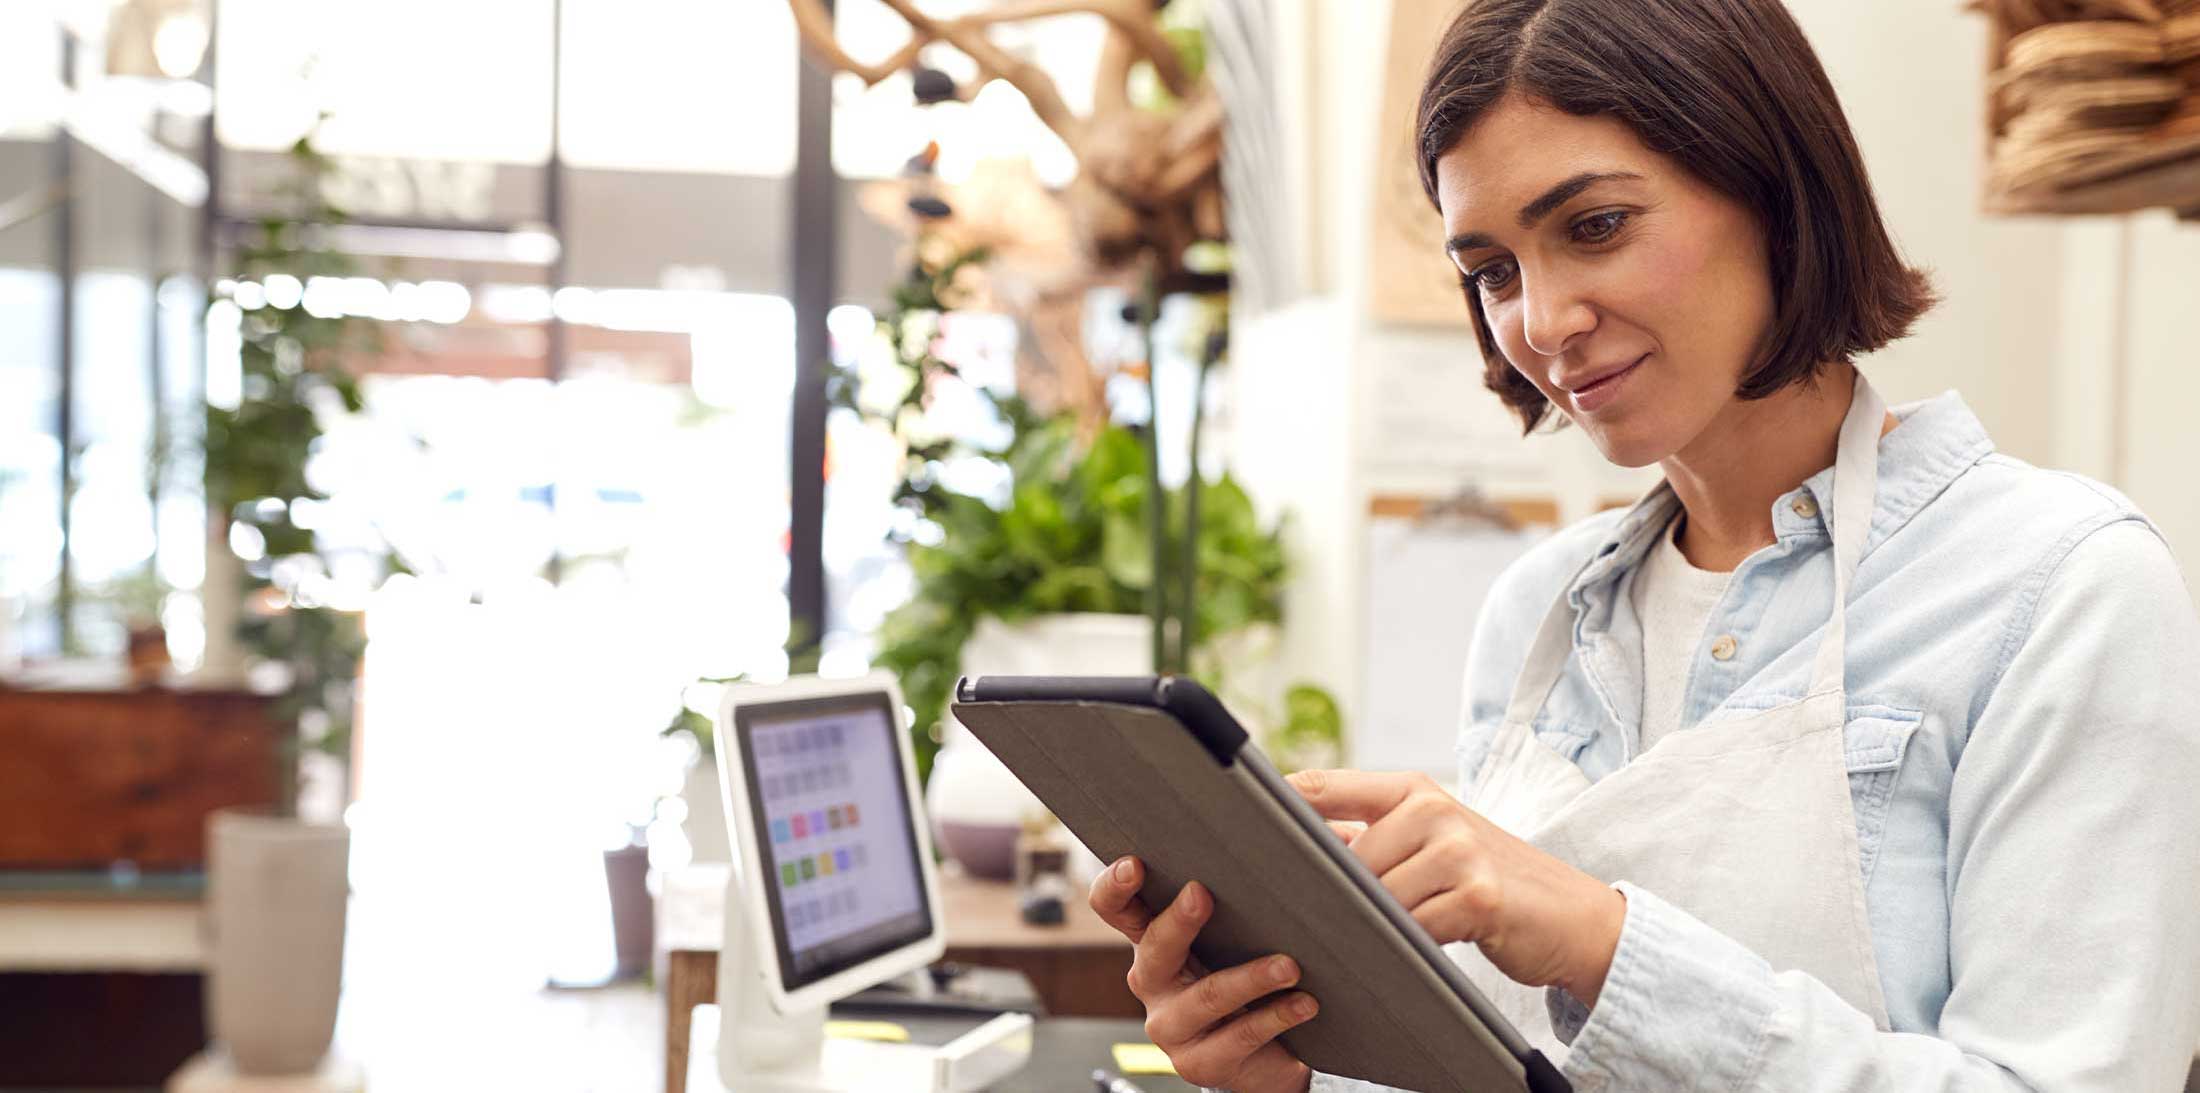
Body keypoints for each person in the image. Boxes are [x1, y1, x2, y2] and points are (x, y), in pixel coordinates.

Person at [1086, 0, 2200, 1089]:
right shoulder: (1538, 610)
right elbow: (1499, 1056)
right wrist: (1289, 1066)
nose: (1543, 320)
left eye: (1595, 226)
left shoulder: (2062, 588)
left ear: (1773, 187)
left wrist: (1602, 943)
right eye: (1494, 270)